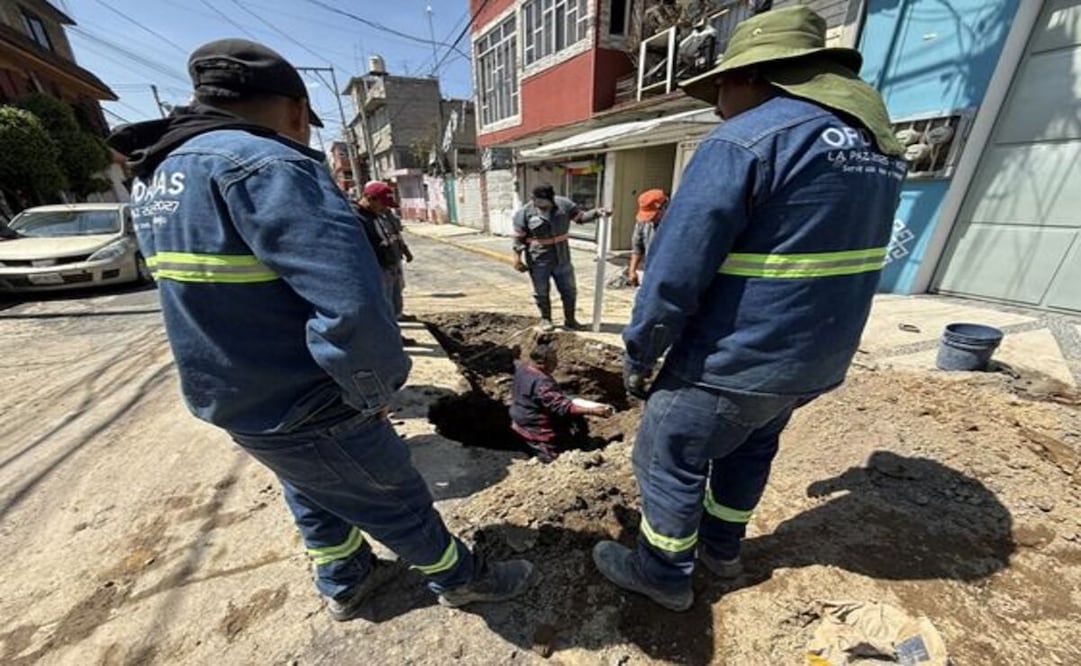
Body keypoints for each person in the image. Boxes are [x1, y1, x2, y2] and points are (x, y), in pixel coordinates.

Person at [107, 38, 533, 621]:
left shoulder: (158, 174)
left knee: (311, 485)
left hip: (233, 395)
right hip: (306, 396)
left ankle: (345, 576)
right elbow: (351, 306)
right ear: (295, 109)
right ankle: (461, 578)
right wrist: (371, 393)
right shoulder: (271, 166)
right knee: (393, 496)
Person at [592, 7, 907, 611]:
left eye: (720, 89)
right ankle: (722, 550)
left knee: (666, 454)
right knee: (749, 447)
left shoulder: (746, 140)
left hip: (735, 357)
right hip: (812, 361)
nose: (717, 108)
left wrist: (641, 353)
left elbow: (674, 271)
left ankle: (663, 573)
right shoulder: (878, 148)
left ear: (757, 75)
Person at [512, 184, 607, 332]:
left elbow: (580, 218)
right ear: (533, 199)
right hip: (538, 260)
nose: (542, 206)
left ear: (552, 199)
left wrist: (596, 213)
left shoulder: (564, 205)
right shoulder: (524, 213)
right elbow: (519, 238)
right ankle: (546, 319)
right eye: (538, 202)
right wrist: (517, 259)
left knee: (569, 290)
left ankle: (570, 321)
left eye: (545, 203)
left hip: (562, 258)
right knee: (541, 291)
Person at [509, 339, 614, 463]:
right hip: (536, 427)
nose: (556, 365)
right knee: (552, 459)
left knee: (571, 403)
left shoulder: (523, 367)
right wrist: (593, 411)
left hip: (520, 417)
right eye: (553, 362)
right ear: (541, 363)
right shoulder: (542, 382)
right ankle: (549, 454)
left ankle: (578, 440)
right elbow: (562, 407)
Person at [353, 181, 413, 318]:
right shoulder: (357, 217)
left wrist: (403, 250)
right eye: (383, 204)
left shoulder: (377, 214)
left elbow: (393, 235)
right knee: (383, 300)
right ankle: (389, 325)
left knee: (395, 294)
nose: (385, 208)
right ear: (369, 198)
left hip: (390, 261)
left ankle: (397, 319)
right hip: (377, 266)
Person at [627, 189, 668, 287]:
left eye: (652, 215)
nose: (650, 219)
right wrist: (632, 271)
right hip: (650, 271)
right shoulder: (643, 223)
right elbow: (637, 248)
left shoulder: (677, 223)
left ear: (663, 208)